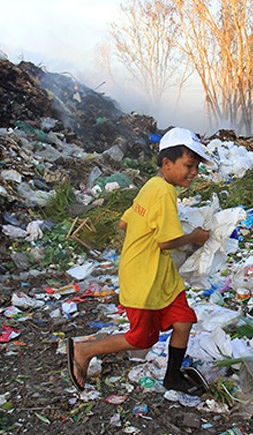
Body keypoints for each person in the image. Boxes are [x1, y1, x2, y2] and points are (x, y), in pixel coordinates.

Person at [66, 127, 212, 396]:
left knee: (183, 321)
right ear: (167, 163)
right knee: (142, 338)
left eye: (196, 167)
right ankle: (84, 350)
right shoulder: (163, 192)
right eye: (189, 165)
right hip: (143, 278)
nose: (194, 172)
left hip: (160, 274)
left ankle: (172, 377)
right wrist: (195, 236)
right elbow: (165, 241)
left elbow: (125, 220)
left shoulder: (152, 185)